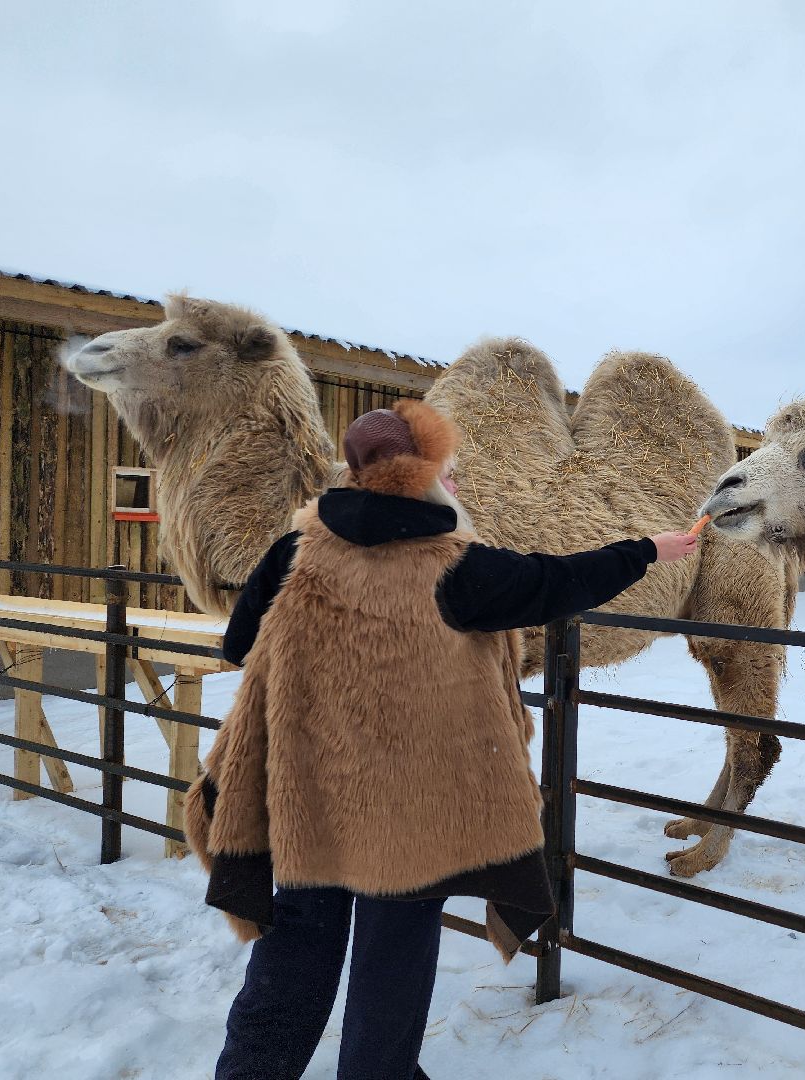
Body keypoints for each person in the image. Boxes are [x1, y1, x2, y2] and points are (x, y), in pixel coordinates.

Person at [183, 400, 698, 1080]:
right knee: (391, 967)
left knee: (293, 952)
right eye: (449, 476)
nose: (457, 489)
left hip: (310, 802)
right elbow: (557, 581)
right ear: (416, 480)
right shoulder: (458, 569)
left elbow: (240, 643)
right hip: (411, 821)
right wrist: (650, 550)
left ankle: (252, 1072)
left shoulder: (294, 553)